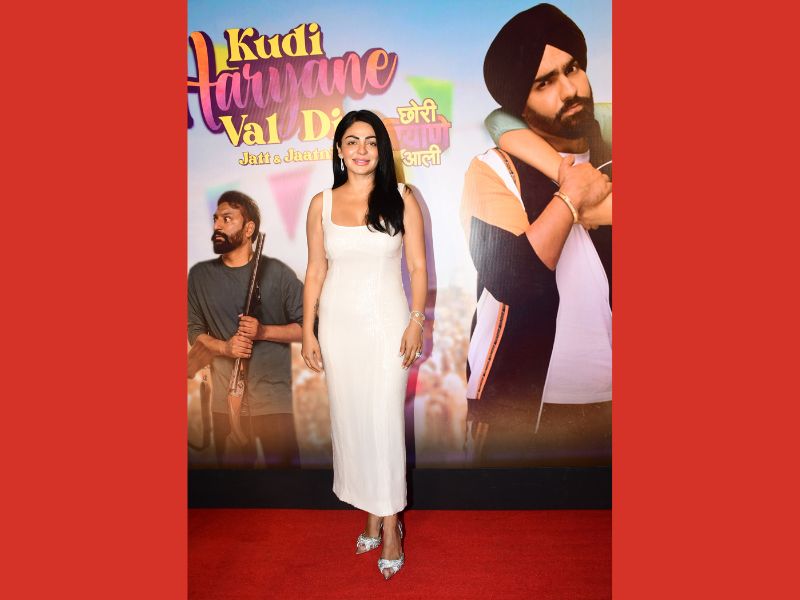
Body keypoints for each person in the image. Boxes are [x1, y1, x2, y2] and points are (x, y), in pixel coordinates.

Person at [460, 3, 613, 466]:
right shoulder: (494, 169)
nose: (570, 90)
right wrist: (572, 195)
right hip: (520, 407)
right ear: (519, 106)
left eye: (573, 69)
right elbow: (516, 280)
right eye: (544, 83)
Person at [302, 109, 427, 580]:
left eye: (371, 142)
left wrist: (417, 321)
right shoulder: (320, 203)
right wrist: (308, 330)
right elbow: (316, 270)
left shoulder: (402, 197)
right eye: (352, 141)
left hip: (388, 326)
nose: (361, 150)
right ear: (339, 149)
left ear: (382, 150)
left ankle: (391, 525)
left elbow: (417, 267)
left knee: (384, 423)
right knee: (352, 422)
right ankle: (371, 512)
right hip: (339, 328)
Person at [188, 191, 304, 468]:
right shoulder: (200, 275)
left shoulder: (278, 273)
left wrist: (263, 332)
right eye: (216, 219)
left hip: (274, 403)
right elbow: (194, 331)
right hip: (224, 404)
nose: (217, 225)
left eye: (227, 219)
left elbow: (308, 328)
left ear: (249, 228)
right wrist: (225, 348)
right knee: (234, 490)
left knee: (288, 487)